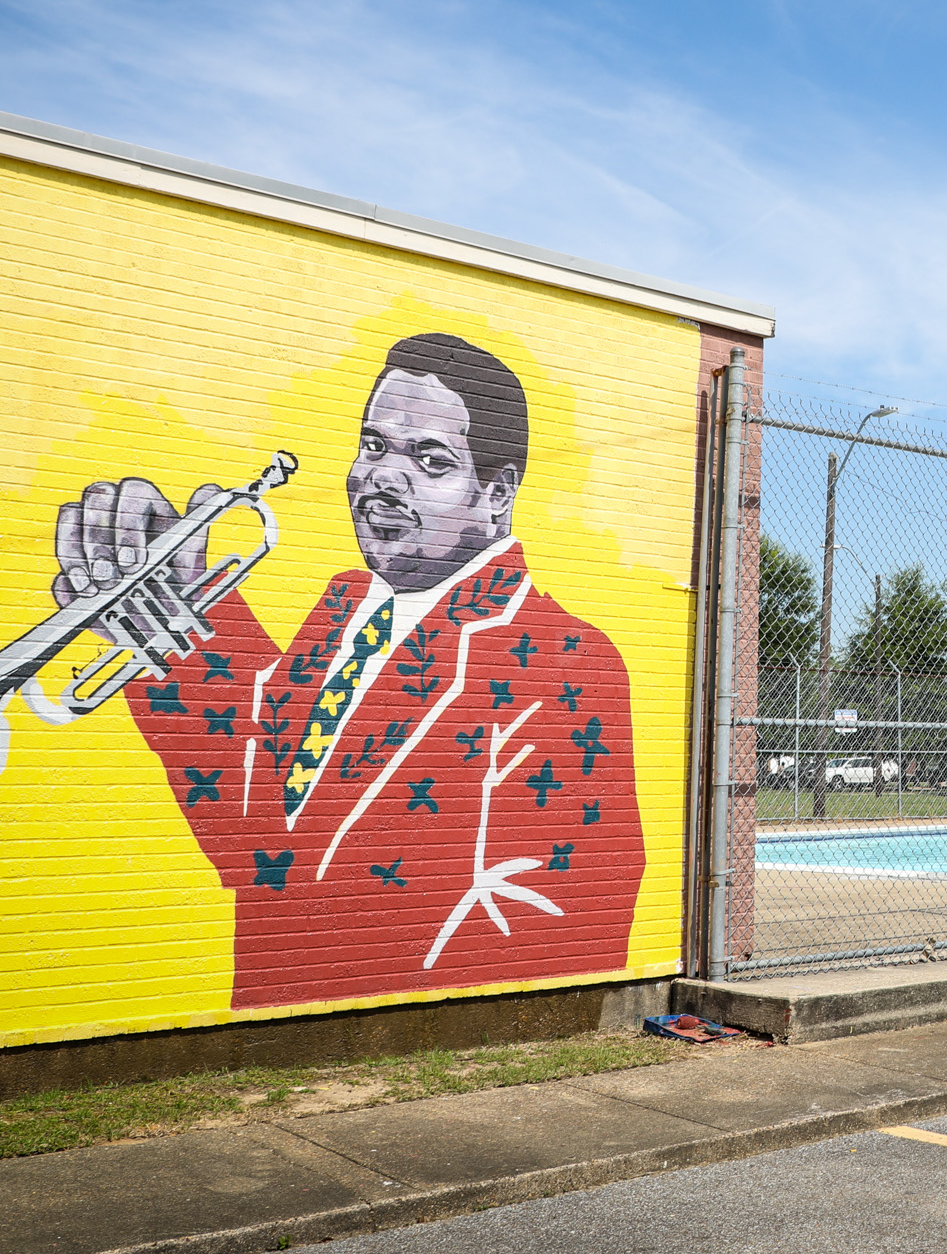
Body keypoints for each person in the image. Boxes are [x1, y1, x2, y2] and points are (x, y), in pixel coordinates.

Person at [54, 334, 642, 1010]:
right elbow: (253, 836)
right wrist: (177, 619)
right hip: (270, 1012)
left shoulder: (561, 657)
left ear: (496, 494)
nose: (384, 476)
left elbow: (546, 916)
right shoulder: (341, 607)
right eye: (372, 446)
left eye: (429, 458)